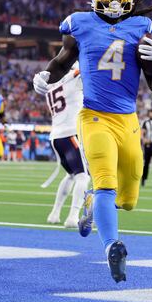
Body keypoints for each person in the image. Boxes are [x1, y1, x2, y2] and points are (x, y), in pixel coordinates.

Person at [33, 0, 152, 282]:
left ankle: (89, 202)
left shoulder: (143, 28)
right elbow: (62, 60)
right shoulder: (80, 23)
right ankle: (112, 246)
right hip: (93, 116)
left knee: (129, 200)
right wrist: (44, 76)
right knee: (106, 182)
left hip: (128, 121)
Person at [44, 64, 90, 228]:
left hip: (56, 137)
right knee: (83, 176)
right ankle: (72, 216)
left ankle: (54, 214)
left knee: (71, 175)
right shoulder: (74, 78)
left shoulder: (51, 85)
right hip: (71, 134)